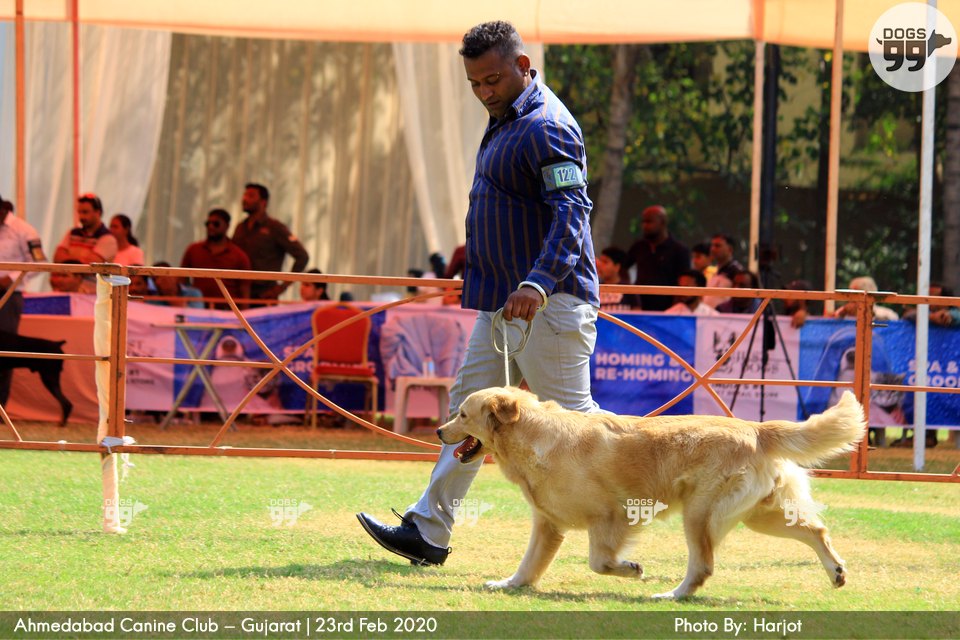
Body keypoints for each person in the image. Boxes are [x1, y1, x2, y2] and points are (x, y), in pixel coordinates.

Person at [357, 20, 605, 567]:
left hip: (548, 304)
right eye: (474, 83)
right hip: (502, 304)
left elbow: (572, 213)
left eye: (493, 80)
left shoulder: (547, 126)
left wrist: (537, 282)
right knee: (467, 412)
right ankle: (427, 531)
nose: (484, 92)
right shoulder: (508, 117)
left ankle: (632, 506)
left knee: (579, 427)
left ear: (523, 66)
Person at [0, 198, 47, 404]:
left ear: (3, 209)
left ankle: (0, 406)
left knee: (3, 350)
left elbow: (40, 262)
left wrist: (10, 278)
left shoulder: (23, 230)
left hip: (9, 295)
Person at [232, 183, 309, 302]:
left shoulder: (275, 227)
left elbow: (302, 256)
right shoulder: (240, 227)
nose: (245, 199)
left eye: (251, 196)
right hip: (238, 293)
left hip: (264, 295)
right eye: (244, 195)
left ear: (263, 202)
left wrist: (282, 287)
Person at [180, 208, 252, 309]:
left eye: (216, 224)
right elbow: (182, 281)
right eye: (208, 223)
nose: (211, 227)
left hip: (227, 312)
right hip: (198, 309)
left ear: (227, 226)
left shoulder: (239, 256)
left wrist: (244, 315)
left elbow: (244, 291)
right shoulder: (193, 250)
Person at [626, 205, 690, 311]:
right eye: (643, 222)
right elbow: (622, 267)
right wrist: (628, 291)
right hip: (639, 306)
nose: (645, 225)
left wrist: (675, 306)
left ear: (663, 222)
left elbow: (684, 281)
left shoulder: (679, 250)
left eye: (649, 221)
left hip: (667, 308)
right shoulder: (639, 246)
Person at [54, 193, 118, 265]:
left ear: (98, 212)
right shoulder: (72, 233)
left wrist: (67, 260)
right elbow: (57, 258)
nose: (81, 217)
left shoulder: (108, 239)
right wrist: (79, 260)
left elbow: (91, 266)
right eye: (79, 212)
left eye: (85, 212)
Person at [703, 233, 744, 309]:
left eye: (717, 246)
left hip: (724, 315)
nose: (712, 249)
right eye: (712, 245)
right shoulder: (714, 270)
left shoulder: (737, 271)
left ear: (730, 249)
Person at [833, 276, 899, 321]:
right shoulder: (845, 312)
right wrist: (840, 314)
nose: (851, 297)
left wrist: (872, 313)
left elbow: (895, 319)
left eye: (855, 293)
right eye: (851, 292)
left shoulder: (883, 313)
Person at [596, 246, 632, 312]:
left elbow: (637, 315)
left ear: (617, 267)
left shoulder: (630, 289)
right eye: (600, 261)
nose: (600, 265)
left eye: (605, 262)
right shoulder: (595, 288)